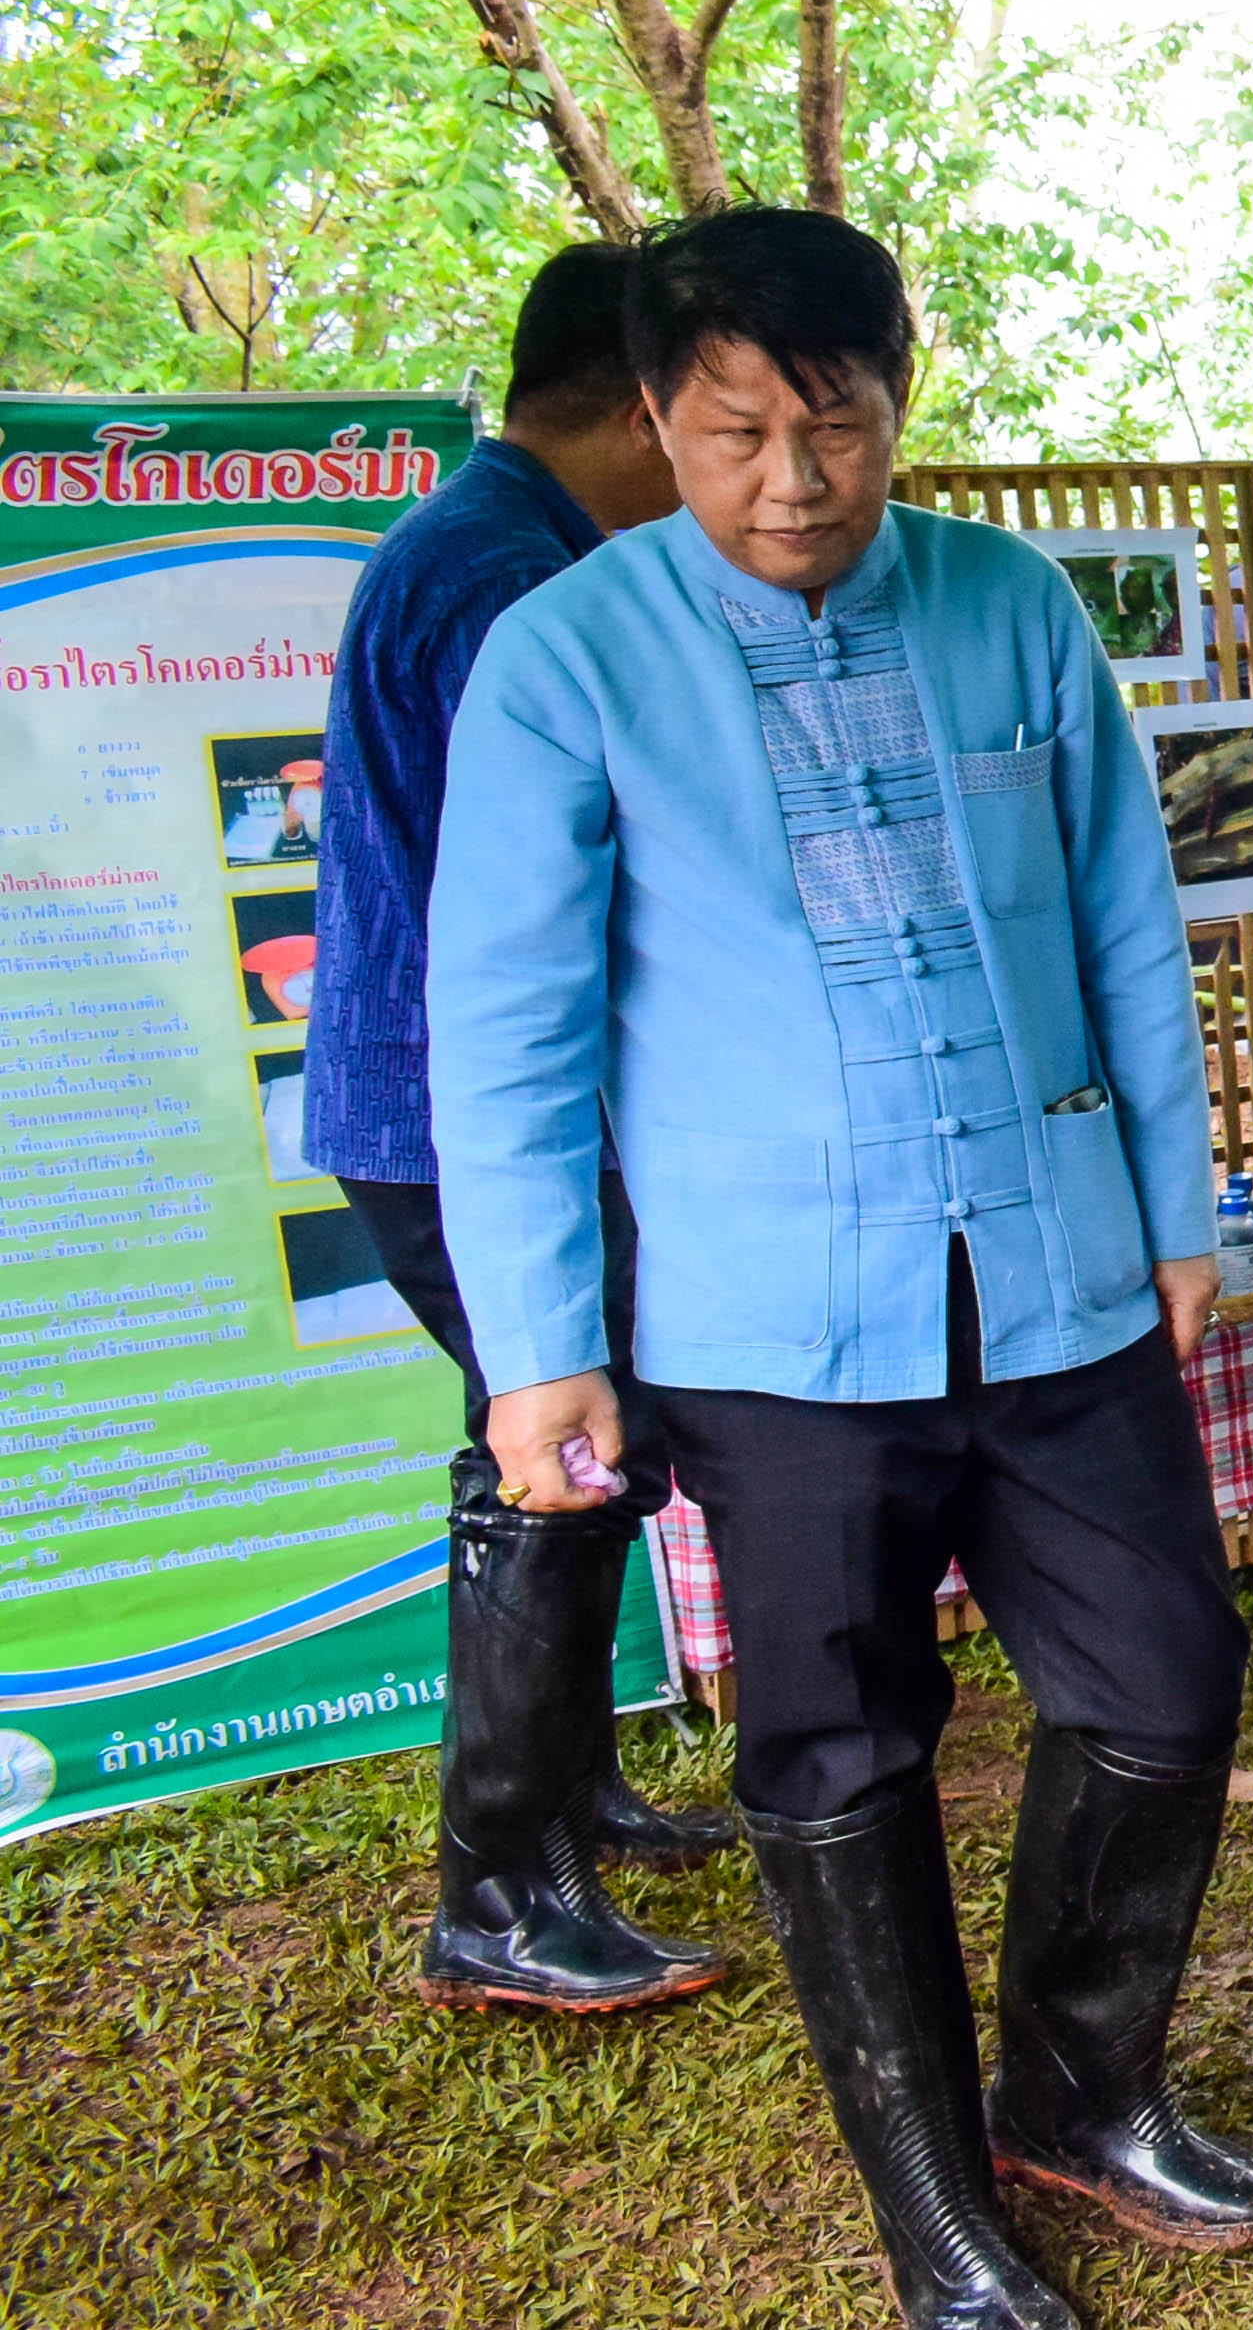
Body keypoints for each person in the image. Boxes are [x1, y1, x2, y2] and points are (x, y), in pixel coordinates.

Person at [431, 210, 1253, 2330]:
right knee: (838, 1752)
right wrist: (541, 1354)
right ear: (653, 418)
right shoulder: (567, 658)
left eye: (838, 424)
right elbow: (511, 1024)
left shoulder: (1008, 610)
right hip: (768, 1320)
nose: (794, 480)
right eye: (734, 434)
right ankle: (938, 2222)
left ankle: (1077, 2091)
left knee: (1168, 1689)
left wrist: (1179, 1212)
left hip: (1062, 1277)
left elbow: (1119, 924)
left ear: (902, 397)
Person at [303, 239, 727, 2016]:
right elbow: (553, 906)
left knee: (564, 1447)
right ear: (645, 407)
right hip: (467, 1122)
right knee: (558, 1454)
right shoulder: (505, 585)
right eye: (714, 415)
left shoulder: (500, 539)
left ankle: (563, 1800)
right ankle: (497, 1897)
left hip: (430, 1112)